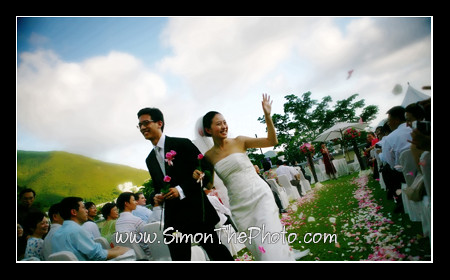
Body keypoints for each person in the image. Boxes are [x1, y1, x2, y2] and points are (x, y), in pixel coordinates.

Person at [194, 94, 303, 261]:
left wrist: (268, 116)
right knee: (257, 245)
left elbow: (272, 140)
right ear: (208, 130)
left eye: (224, 122)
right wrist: (199, 176)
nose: (224, 126)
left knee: (268, 240)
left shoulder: (240, 141)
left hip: (260, 195)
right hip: (238, 204)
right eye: (218, 124)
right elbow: (208, 184)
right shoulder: (208, 157)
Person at [137, 107, 233, 261]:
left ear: (159, 123)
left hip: (196, 209)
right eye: (140, 125)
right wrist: (156, 197)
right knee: (179, 257)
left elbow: (204, 169)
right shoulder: (149, 159)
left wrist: (180, 190)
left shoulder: (182, 144)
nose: (142, 128)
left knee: (215, 251)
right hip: (173, 217)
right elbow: (157, 186)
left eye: (146, 123)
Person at [51, 197, 129, 261]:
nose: (86, 211)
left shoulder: (56, 234)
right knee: (129, 254)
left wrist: (114, 250)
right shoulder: (77, 230)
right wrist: (122, 251)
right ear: (74, 212)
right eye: (84, 208)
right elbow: (98, 255)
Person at [380, 106, 412, 211]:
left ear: (397, 120)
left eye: (389, 121)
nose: (388, 124)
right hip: (425, 167)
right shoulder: (417, 128)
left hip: (405, 174)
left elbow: (389, 160)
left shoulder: (389, 138)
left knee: (387, 170)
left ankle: (399, 199)